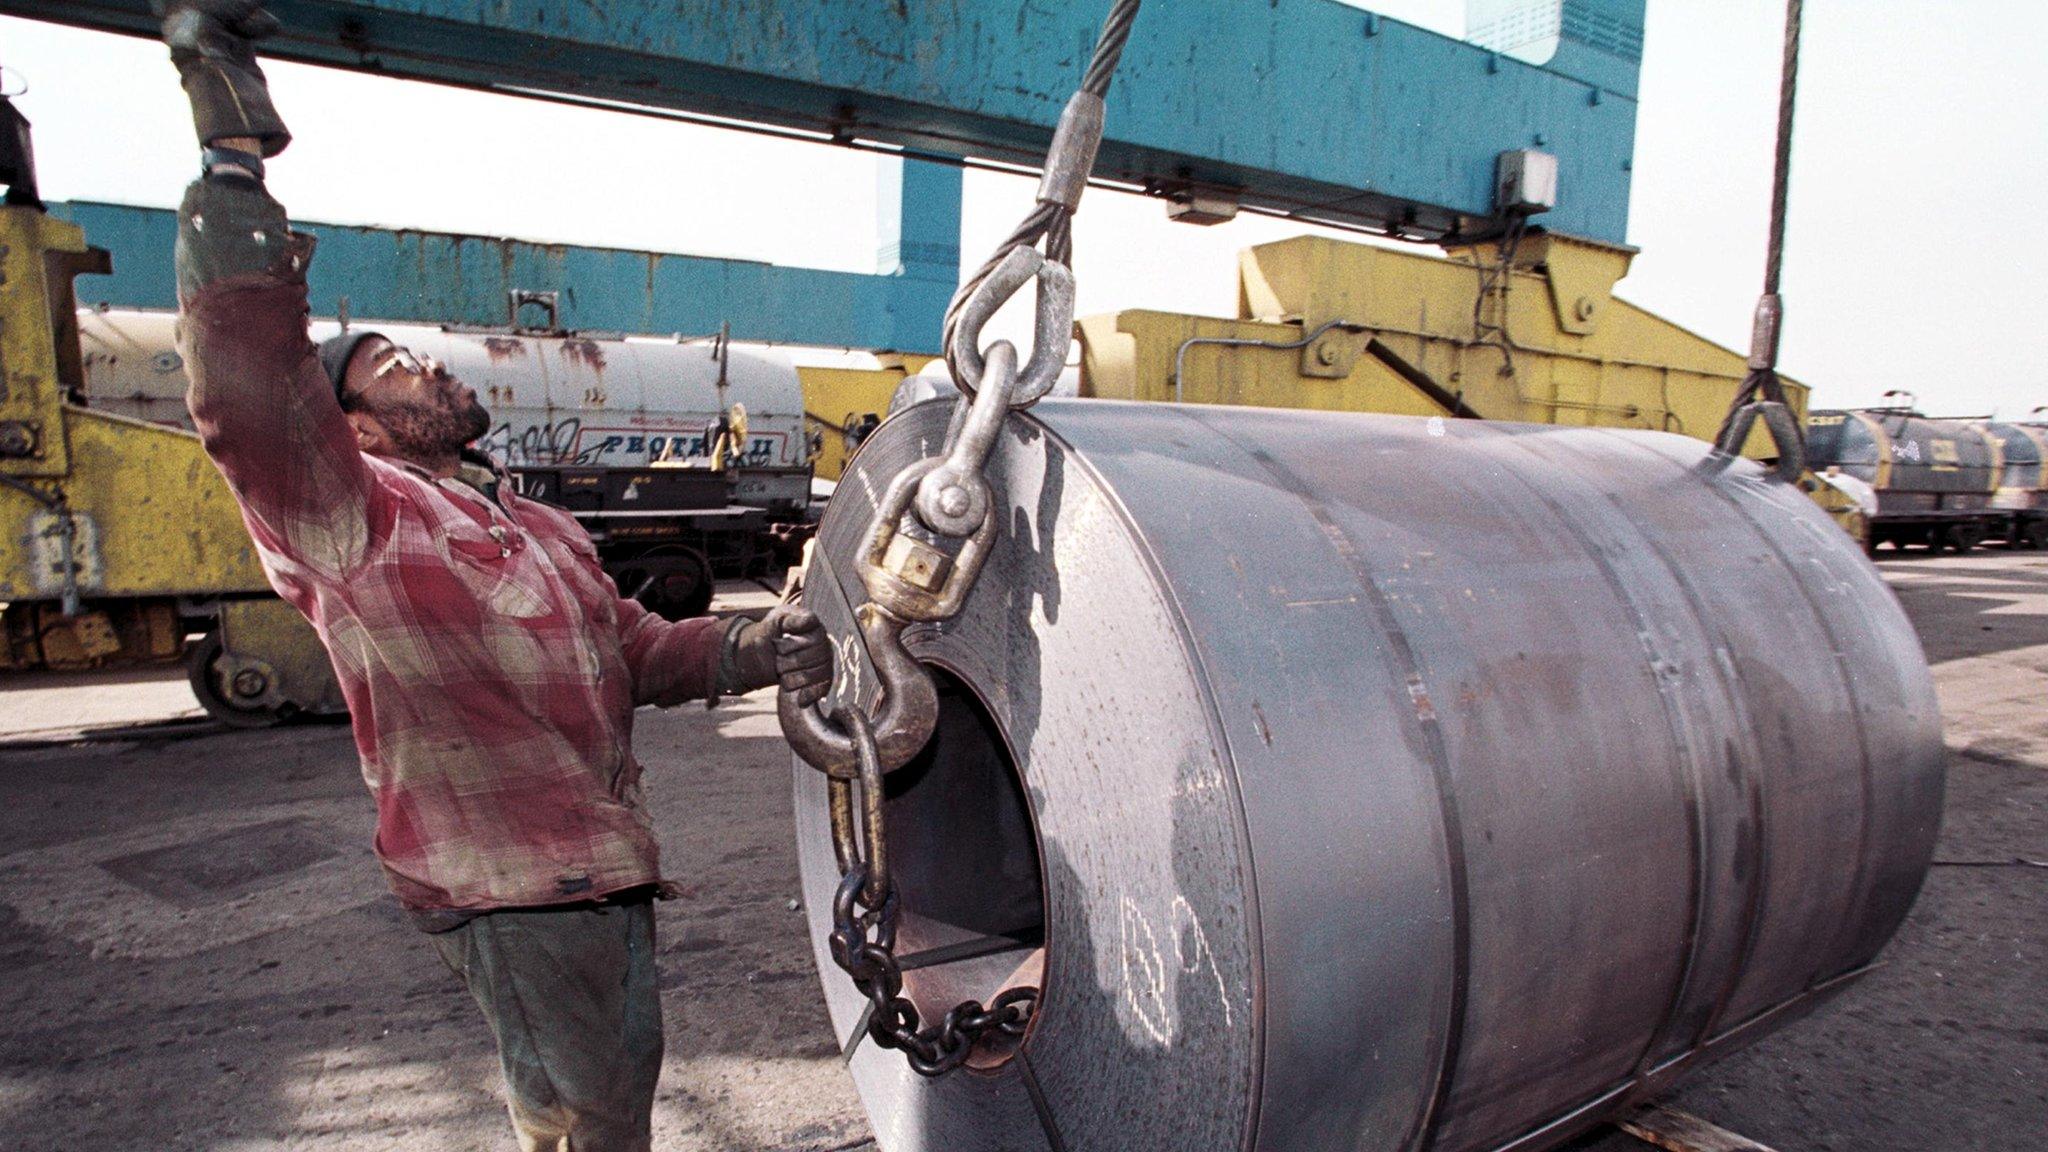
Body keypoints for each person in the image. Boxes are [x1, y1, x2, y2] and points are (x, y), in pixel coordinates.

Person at [159, 4, 834, 1148]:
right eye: (392, 367)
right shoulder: (351, 521)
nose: (428, 365)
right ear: (353, 430)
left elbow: (628, 651)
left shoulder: (531, 524)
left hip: (594, 872)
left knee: (607, 1099)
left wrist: (764, 645)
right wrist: (233, 164)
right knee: (585, 1119)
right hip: (509, 880)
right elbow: (247, 382)